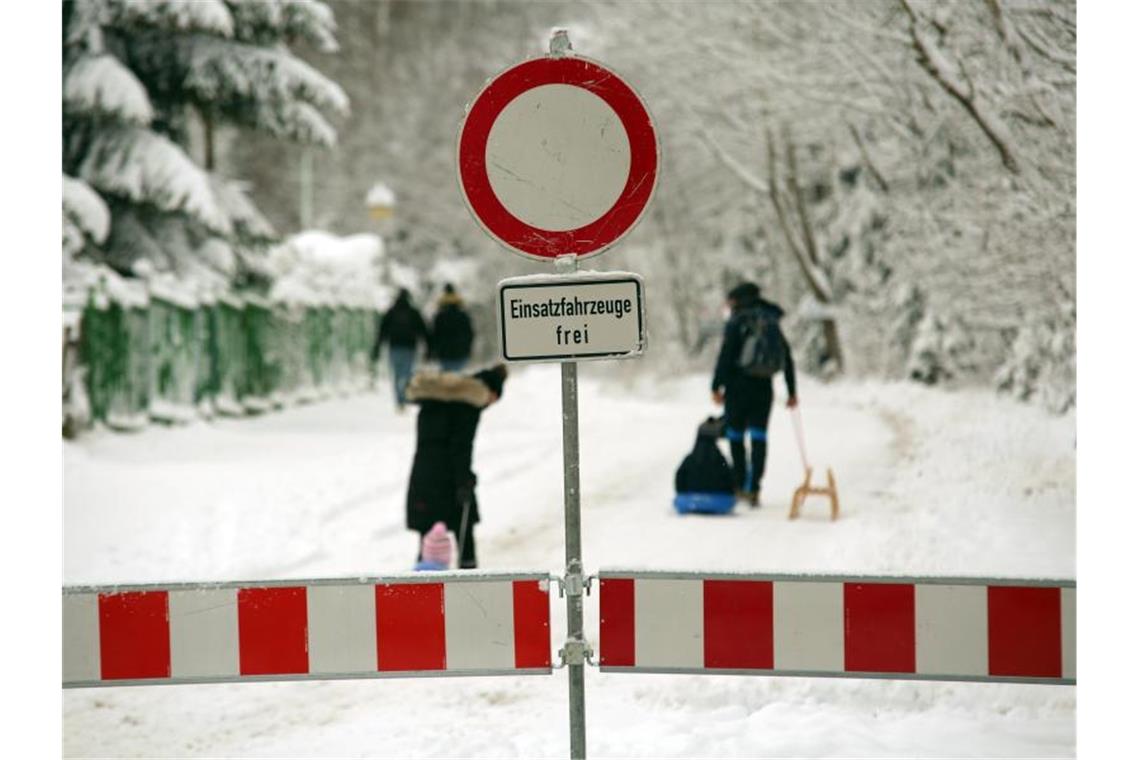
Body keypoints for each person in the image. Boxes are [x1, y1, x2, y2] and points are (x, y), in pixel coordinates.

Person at [404, 364, 508, 569]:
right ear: (491, 393)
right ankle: (470, 580)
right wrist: (465, 481)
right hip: (450, 479)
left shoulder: (431, 400)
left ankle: (422, 586)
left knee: (428, 539)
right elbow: (460, 448)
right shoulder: (467, 406)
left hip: (423, 476)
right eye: (493, 400)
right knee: (464, 534)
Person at [711, 281, 797, 508]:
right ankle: (754, 487)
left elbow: (726, 355)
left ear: (737, 300)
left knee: (736, 436)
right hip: (763, 387)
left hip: (737, 388)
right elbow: (786, 356)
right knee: (759, 436)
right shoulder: (770, 320)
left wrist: (716, 386)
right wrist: (792, 391)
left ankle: (740, 485)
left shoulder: (737, 321)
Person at [371, 288, 429, 411]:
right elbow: (422, 330)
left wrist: (377, 347)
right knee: (407, 373)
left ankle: (399, 400)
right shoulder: (413, 313)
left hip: (394, 347)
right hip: (409, 347)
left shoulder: (391, 312)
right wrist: (428, 347)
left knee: (397, 375)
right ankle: (406, 397)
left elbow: (383, 331)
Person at [429, 283, 475, 373]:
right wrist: (468, 349)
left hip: (444, 354)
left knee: (447, 378)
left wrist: (432, 351)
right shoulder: (463, 315)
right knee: (458, 377)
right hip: (461, 352)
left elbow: (434, 335)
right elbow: (470, 333)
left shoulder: (439, 316)